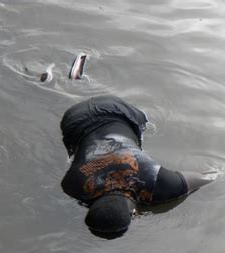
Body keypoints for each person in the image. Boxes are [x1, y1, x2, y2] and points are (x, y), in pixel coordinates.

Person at [61, 95, 215, 239]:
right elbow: (211, 175)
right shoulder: (73, 185)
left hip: (117, 113)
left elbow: (211, 175)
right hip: (75, 119)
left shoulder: (157, 181)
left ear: (134, 213)